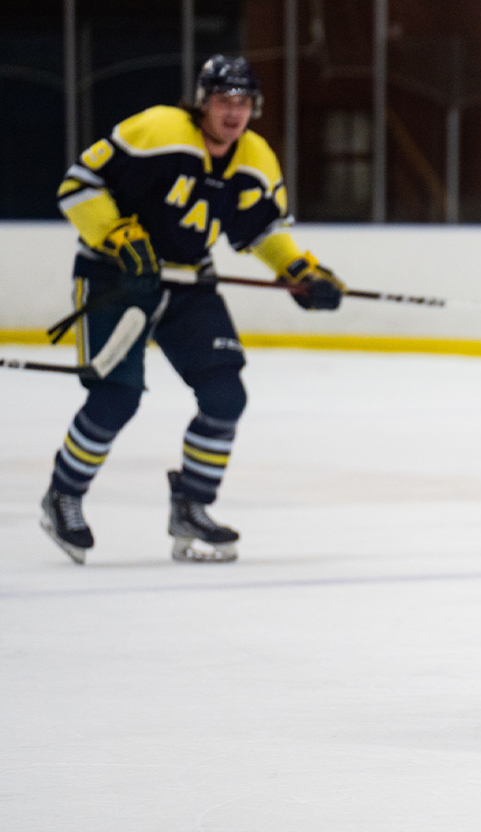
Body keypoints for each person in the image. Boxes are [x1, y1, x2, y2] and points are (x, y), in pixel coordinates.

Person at [40, 55, 345, 565]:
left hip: (187, 283)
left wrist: (301, 272)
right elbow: (79, 186)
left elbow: (264, 231)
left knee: (225, 395)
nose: (233, 113)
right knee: (116, 397)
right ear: (202, 102)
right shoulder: (158, 130)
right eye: (224, 101)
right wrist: (116, 235)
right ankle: (63, 495)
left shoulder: (255, 158)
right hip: (115, 278)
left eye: (243, 103)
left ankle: (191, 506)